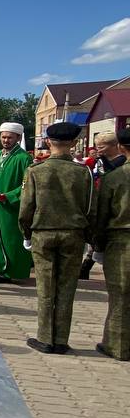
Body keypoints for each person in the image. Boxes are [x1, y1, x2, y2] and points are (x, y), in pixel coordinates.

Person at [19, 121, 95, 354]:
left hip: (44, 233)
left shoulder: (36, 170)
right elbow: (91, 208)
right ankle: (61, 339)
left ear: (48, 142)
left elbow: (26, 208)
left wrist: (26, 233)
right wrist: (90, 237)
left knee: (45, 287)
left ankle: (45, 338)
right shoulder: (83, 172)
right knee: (66, 287)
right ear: (73, 144)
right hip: (73, 234)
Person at [93, 128, 130, 361]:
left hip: (122, 240)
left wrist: (96, 245)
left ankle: (117, 346)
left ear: (122, 147)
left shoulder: (115, 177)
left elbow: (101, 214)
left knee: (120, 295)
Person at [0, 122, 33, 282]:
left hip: (12, 207)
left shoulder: (24, 158)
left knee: (11, 239)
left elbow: (28, 185)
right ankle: (2, 270)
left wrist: (8, 196)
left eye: (10, 137)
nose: (6, 140)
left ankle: (16, 273)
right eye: (3, 137)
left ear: (18, 138)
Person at [79, 132, 125, 278]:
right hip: (99, 199)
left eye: (102, 147)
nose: (99, 150)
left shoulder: (121, 160)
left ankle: (85, 267)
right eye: (97, 147)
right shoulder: (100, 160)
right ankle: (86, 267)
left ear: (115, 146)